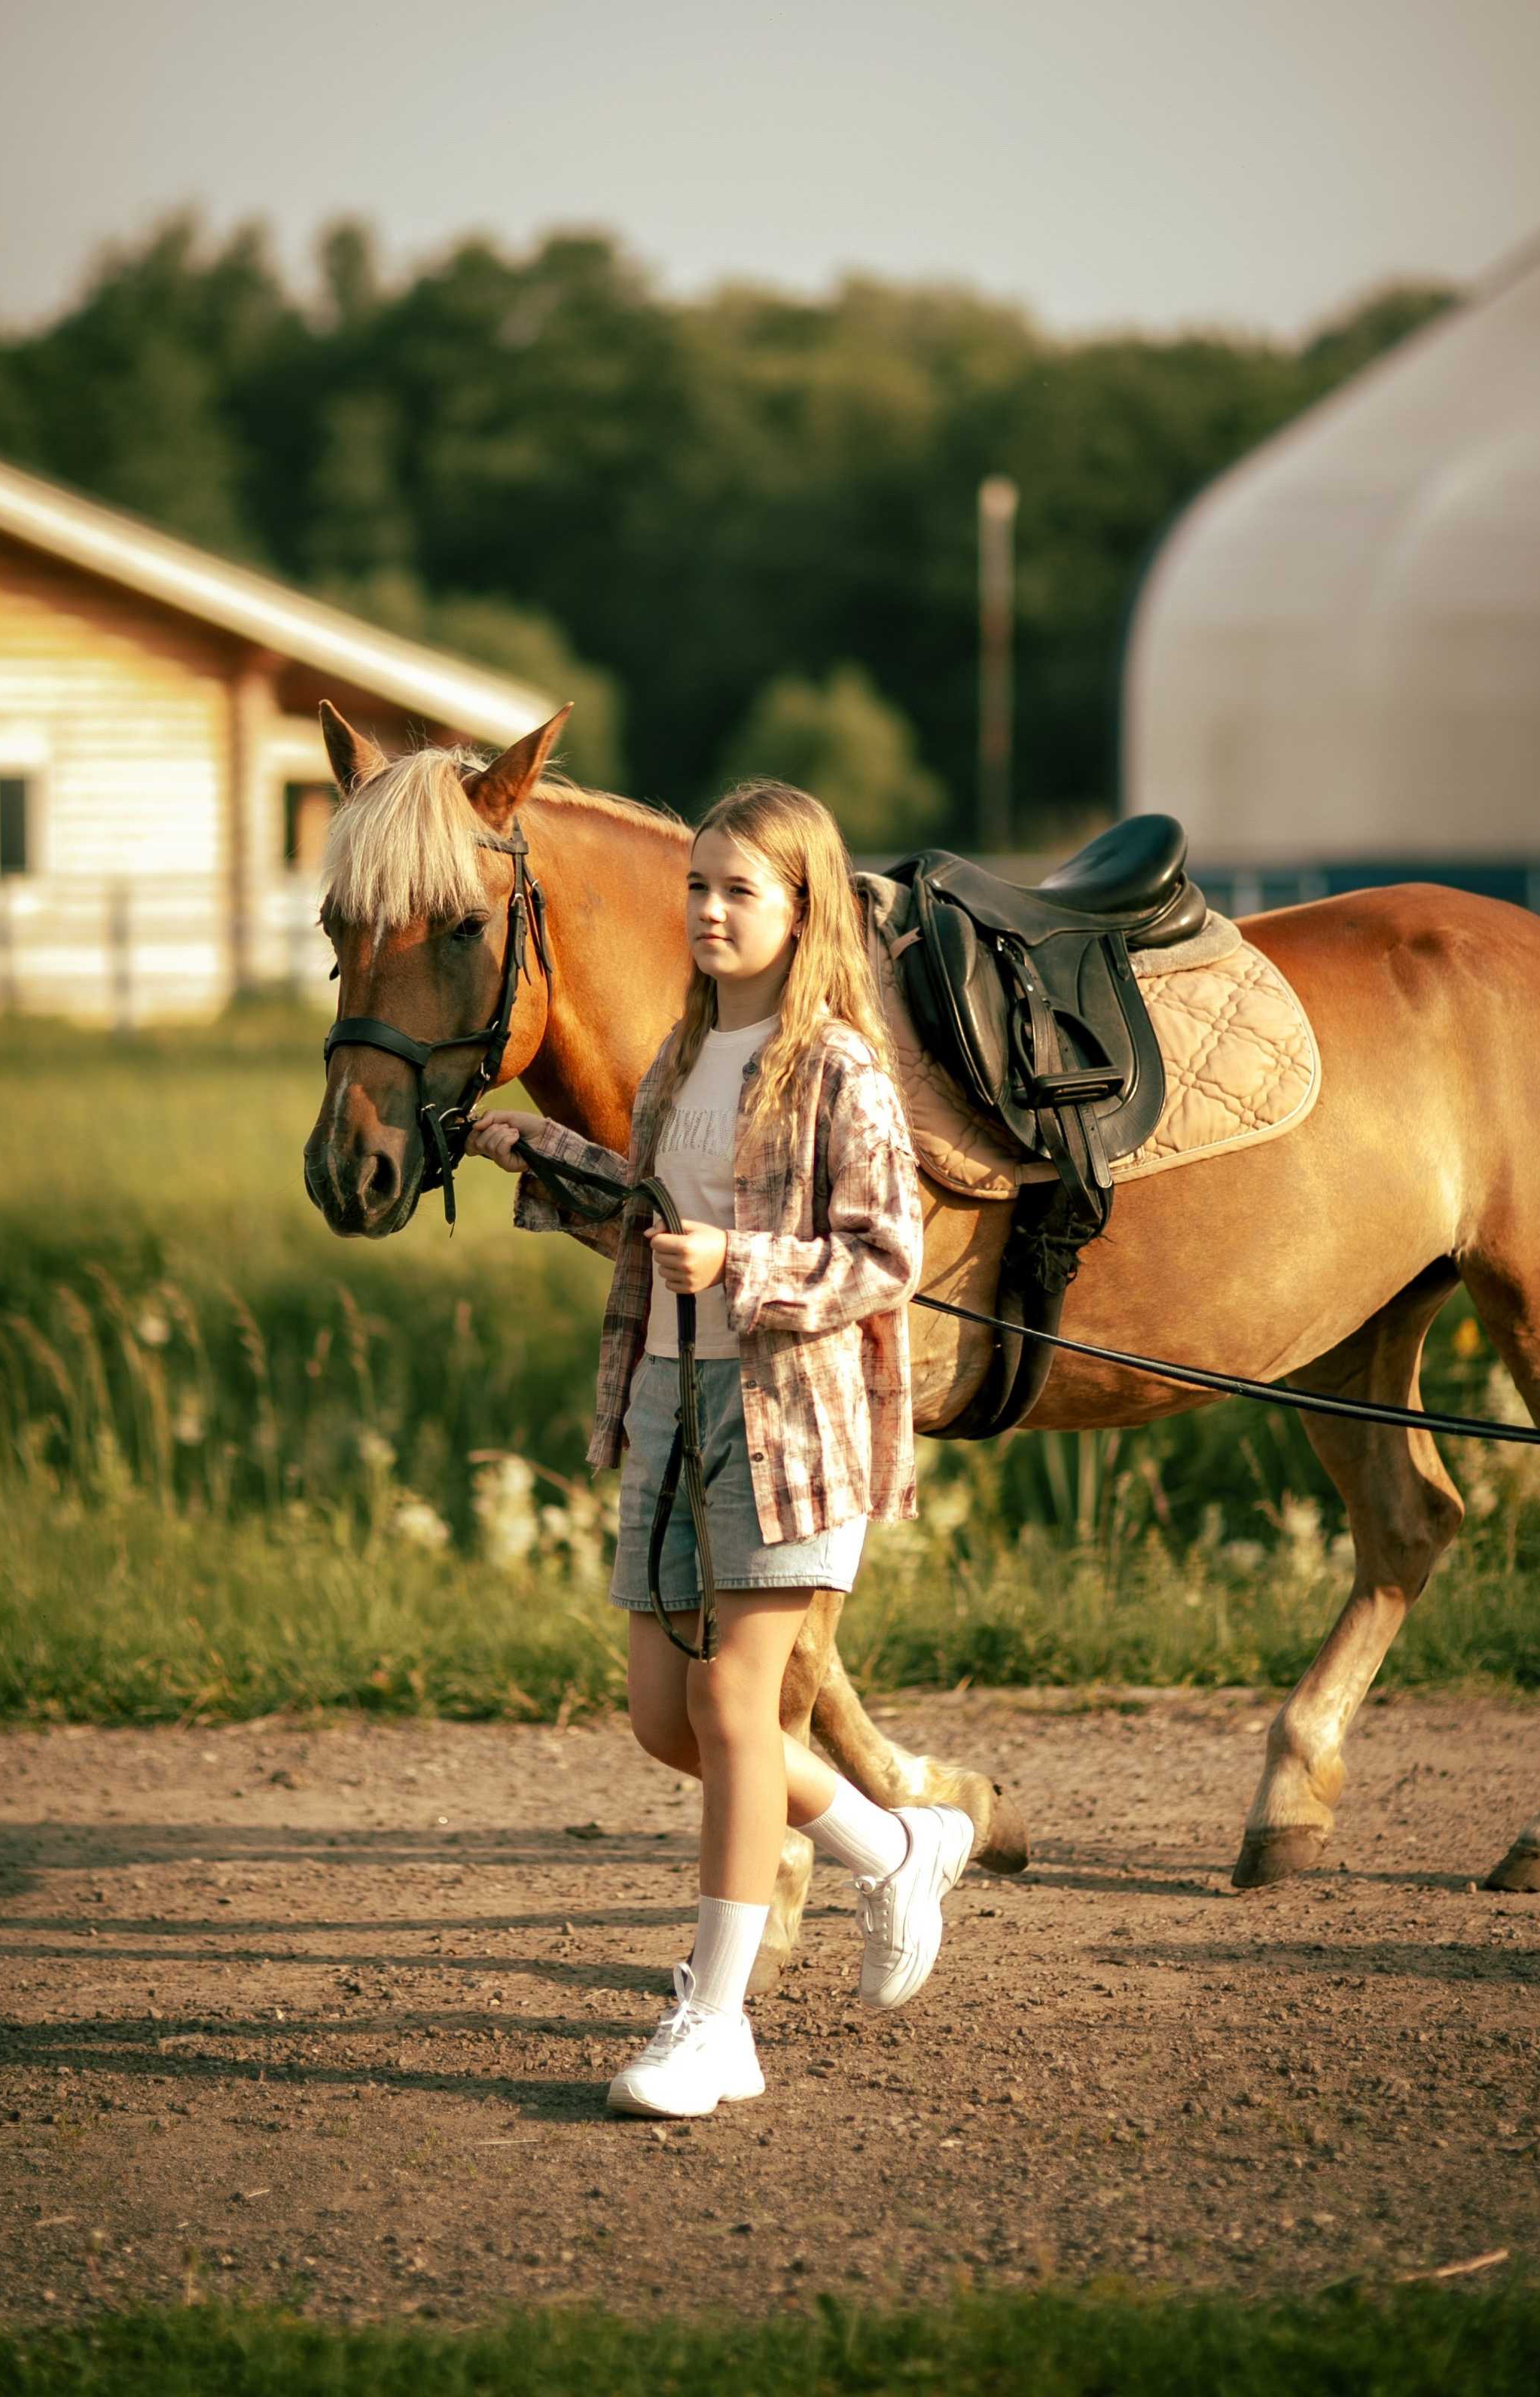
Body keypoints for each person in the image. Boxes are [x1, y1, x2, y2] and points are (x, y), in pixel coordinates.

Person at [468, 779, 974, 2121]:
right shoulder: (682, 1062)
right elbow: (654, 1215)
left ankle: (716, 2022)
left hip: (790, 1422)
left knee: (739, 1714)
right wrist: (534, 1150)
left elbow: (887, 1259)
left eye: (739, 890)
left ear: (803, 910)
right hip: (670, 1411)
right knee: (665, 1718)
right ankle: (896, 1846)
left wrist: (742, 1263)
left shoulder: (841, 1073)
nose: (706, 909)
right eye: (697, 884)